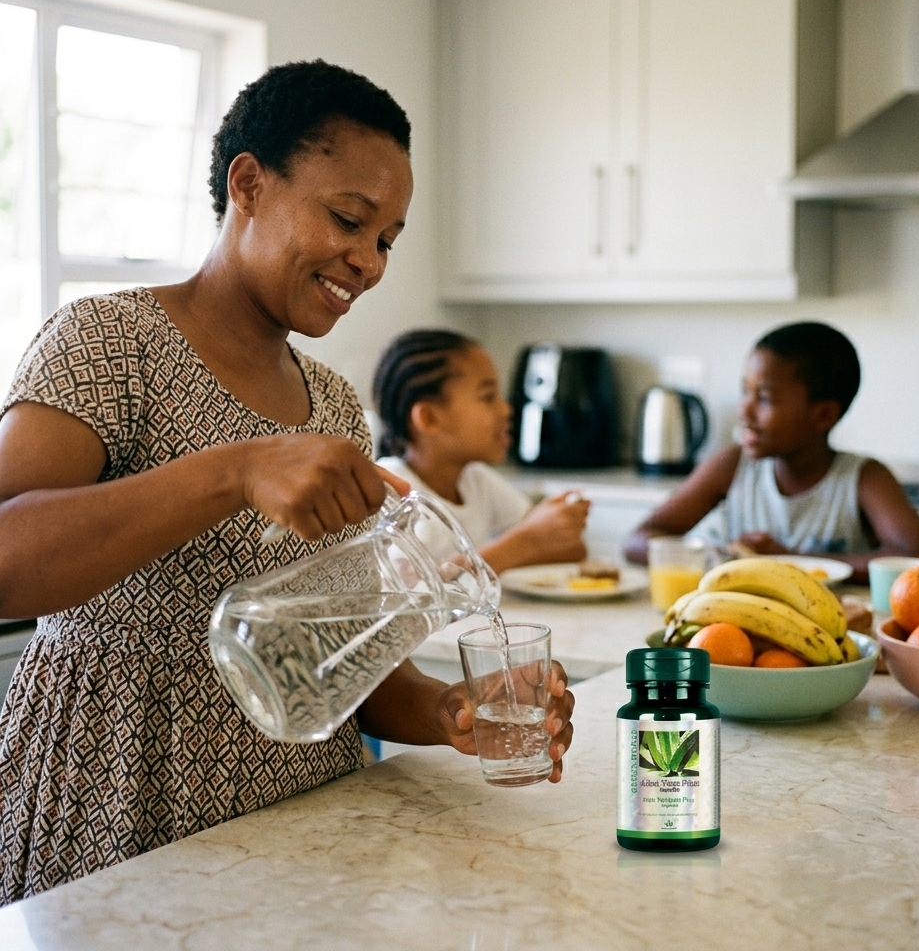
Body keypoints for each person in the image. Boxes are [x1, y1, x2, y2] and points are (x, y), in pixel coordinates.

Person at [0, 61, 574, 904]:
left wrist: (450, 715)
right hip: (116, 800)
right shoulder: (108, 342)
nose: (369, 262)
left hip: (300, 824)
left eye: (386, 239)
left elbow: (336, 659)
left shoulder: (335, 407)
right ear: (249, 183)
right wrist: (235, 470)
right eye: (349, 218)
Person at [625, 322, 919, 582]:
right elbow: (639, 539)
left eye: (764, 399)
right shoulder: (732, 466)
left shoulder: (864, 478)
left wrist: (787, 560)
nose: (744, 410)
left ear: (823, 415)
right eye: (745, 391)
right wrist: (714, 556)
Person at [373, 329, 590, 574]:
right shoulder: (391, 491)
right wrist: (526, 542)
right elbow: (414, 593)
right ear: (429, 418)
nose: (506, 409)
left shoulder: (475, 479)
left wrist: (553, 529)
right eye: (487, 397)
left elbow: (569, 549)